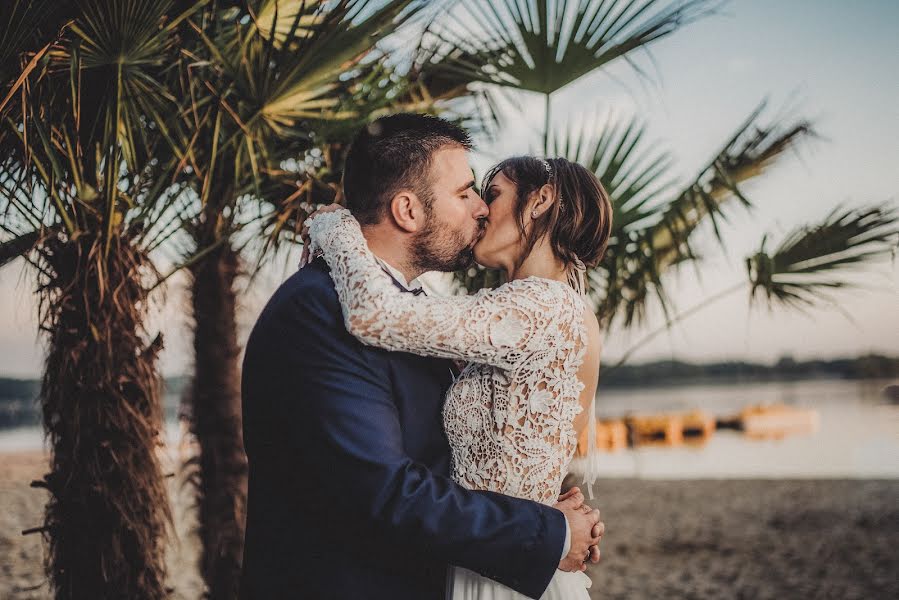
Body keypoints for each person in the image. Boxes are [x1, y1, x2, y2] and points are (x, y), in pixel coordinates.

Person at [239, 113, 604, 600]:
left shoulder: (505, 308)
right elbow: (387, 489)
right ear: (408, 211)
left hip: (480, 571)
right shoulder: (317, 307)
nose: (479, 209)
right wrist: (544, 528)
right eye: (467, 192)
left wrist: (536, 508)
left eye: (486, 193)